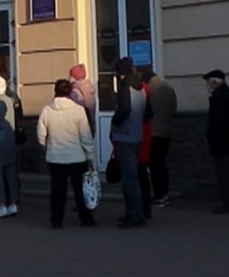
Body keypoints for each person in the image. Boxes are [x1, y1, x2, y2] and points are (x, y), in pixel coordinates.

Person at [37, 78, 97, 229]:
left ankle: (56, 220)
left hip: (55, 157)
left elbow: (40, 134)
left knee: (57, 191)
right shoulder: (78, 110)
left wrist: (47, 146)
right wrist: (90, 157)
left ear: (55, 91)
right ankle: (85, 218)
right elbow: (85, 136)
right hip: (77, 157)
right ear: (70, 92)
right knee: (80, 190)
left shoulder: (47, 110)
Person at [110, 57, 152, 227]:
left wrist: (115, 122)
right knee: (134, 177)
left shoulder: (126, 88)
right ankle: (135, 212)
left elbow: (125, 109)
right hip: (137, 136)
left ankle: (134, 215)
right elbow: (149, 113)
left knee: (129, 179)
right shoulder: (141, 88)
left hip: (125, 137)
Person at [204, 69, 229, 215]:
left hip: (222, 143)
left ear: (215, 82)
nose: (208, 85)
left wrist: (211, 135)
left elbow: (218, 122)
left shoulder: (219, 97)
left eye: (209, 82)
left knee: (225, 174)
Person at [143, 67, 177, 207]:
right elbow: (174, 109)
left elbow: (146, 111)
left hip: (153, 131)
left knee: (154, 165)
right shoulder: (168, 87)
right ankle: (164, 194)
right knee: (161, 163)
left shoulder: (149, 90)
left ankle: (159, 196)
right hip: (166, 131)